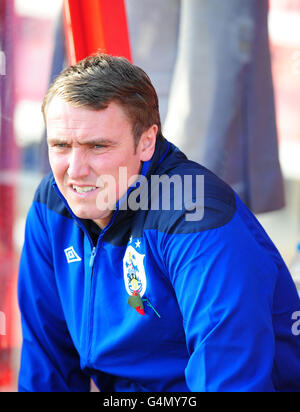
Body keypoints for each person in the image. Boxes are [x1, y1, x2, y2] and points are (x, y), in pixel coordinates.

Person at [18, 54, 300, 392]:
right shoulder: (53, 204)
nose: (75, 170)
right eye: (60, 145)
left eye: (97, 146)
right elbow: (45, 370)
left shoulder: (194, 212)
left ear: (146, 141)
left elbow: (231, 382)